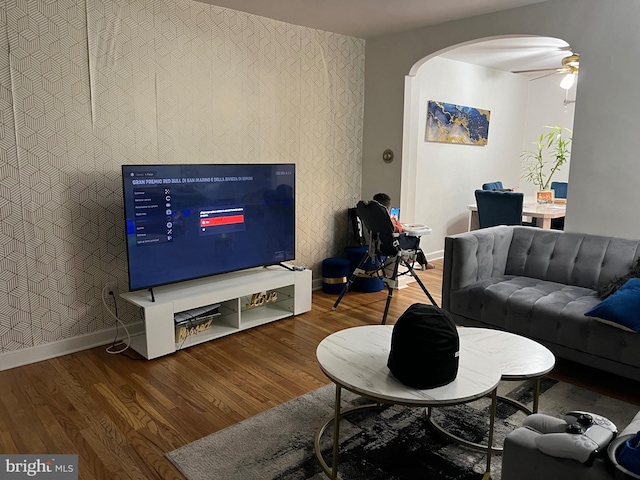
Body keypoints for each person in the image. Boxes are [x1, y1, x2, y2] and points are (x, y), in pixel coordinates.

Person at [372, 193, 435, 270]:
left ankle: (413, 260)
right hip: (392, 245)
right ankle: (422, 263)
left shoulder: (372, 219)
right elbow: (399, 229)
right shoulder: (388, 221)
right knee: (415, 241)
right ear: (388, 208)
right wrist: (397, 222)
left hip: (378, 245)